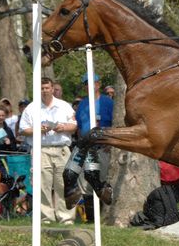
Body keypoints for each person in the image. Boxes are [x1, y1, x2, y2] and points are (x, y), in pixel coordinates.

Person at [19, 77, 77, 223]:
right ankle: (46, 217)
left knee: (63, 184)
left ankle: (66, 217)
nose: (44, 91)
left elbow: (74, 126)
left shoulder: (64, 106)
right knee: (42, 185)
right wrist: (37, 129)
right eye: (42, 88)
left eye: (47, 88)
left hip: (62, 149)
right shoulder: (31, 108)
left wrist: (62, 127)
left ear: (52, 89)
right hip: (41, 150)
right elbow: (23, 130)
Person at [75, 73, 115, 211]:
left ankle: (104, 211)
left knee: (102, 179)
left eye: (92, 83)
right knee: (85, 182)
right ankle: (91, 216)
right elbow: (79, 127)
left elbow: (115, 124)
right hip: (86, 148)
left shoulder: (108, 102)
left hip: (103, 147)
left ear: (98, 84)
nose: (88, 86)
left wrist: (110, 143)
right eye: (86, 84)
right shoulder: (82, 104)